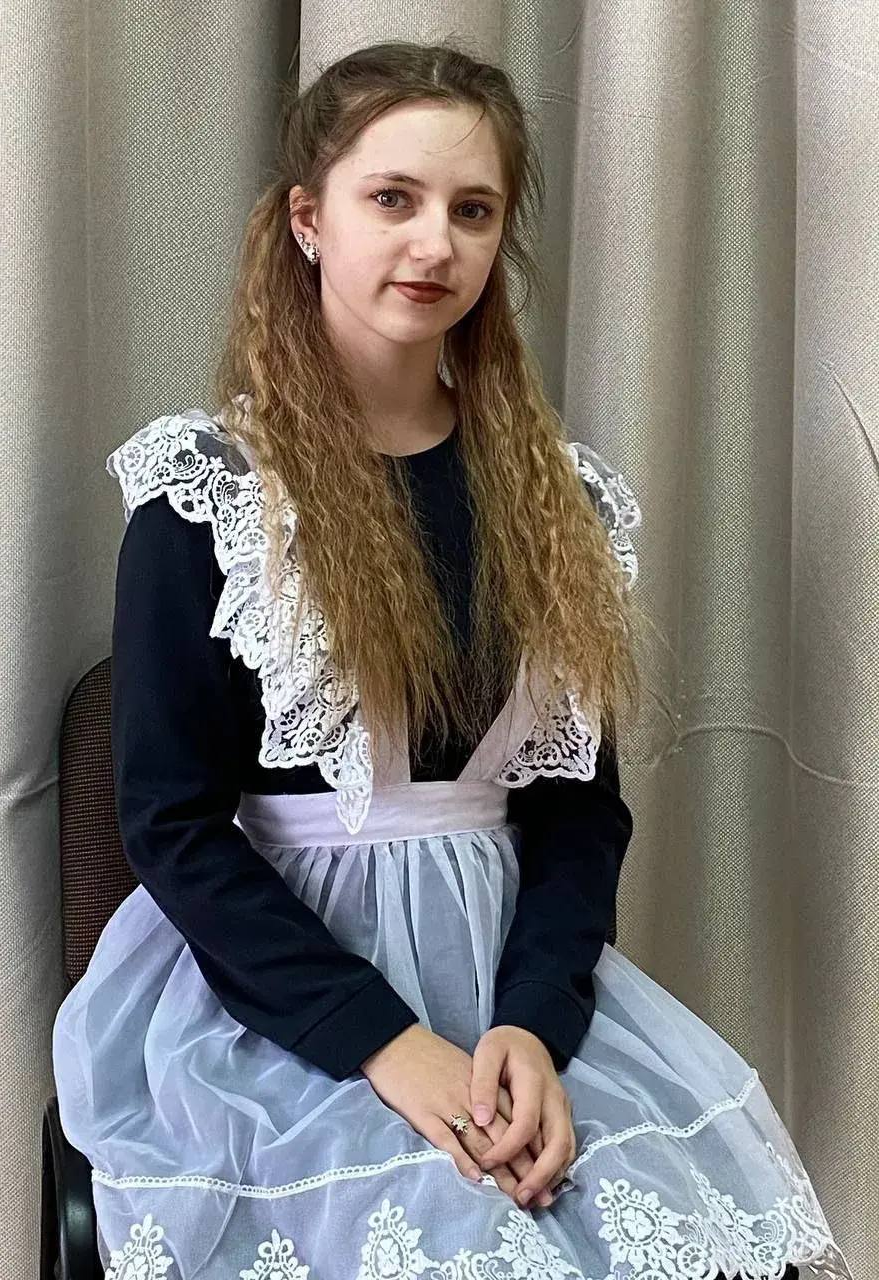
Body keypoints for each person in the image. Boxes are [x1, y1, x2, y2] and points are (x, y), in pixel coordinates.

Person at [51, 39, 853, 1280]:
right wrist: (385, 1041)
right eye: (394, 199)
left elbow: (579, 814)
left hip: (513, 991)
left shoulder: (556, 500)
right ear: (309, 221)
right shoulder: (212, 496)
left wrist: (532, 1023)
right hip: (277, 999)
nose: (435, 244)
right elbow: (170, 823)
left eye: (472, 211)